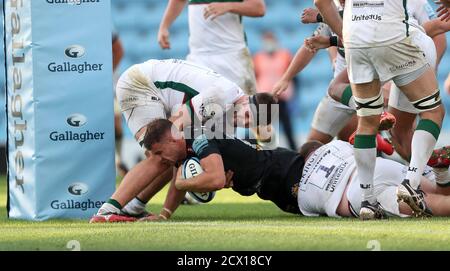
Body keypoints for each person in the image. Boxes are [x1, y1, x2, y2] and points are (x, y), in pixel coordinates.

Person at [134, 118, 450, 220]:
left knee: (433, 206)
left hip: (331, 189)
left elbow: (214, 178)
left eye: (161, 152)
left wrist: (184, 183)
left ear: (173, 137)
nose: (162, 161)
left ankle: (365, 141)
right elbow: (217, 175)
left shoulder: (201, 142)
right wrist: (163, 213)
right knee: (428, 186)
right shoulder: (197, 146)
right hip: (343, 161)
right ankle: (441, 172)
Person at [89, 59, 277, 222]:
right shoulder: (221, 96)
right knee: (163, 153)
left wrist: (166, 213)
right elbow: (173, 128)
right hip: (140, 85)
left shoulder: (230, 110)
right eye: (245, 115)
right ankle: (108, 211)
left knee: (175, 154)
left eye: (247, 123)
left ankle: (132, 208)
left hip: (150, 85)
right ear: (246, 100)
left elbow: (186, 154)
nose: (240, 121)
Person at [314, 0, 445, 219]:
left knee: (367, 121)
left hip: (356, 40)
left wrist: (342, 34)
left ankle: (367, 201)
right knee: (433, 111)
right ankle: (412, 183)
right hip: (393, 34)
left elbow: (321, 2)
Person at [158, 0, 265, 95]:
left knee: (246, 110)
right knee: (197, 111)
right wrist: (164, 26)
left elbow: (259, 8)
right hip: (198, 57)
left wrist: (228, 6)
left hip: (232, 56)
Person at [253, 31, 297, 150]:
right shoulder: (258, 57)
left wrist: (294, 94)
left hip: (281, 96)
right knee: (263, 126)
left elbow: (294, 75)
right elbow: (255, 76)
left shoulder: (285, 55)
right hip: (264, 98)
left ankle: (294, 150)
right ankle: (263, 150)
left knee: (287, 127)